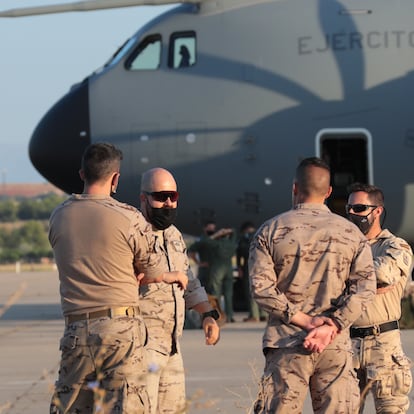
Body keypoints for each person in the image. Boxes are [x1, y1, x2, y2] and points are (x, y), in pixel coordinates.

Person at [249, 157, 376, 414]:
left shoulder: (270, 231)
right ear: (329, 192)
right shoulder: (351, 233)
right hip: (333, 344)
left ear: (295, 188)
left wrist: (303, 321)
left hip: (286, 345)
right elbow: (365, 288)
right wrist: (333, 324)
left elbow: (261, 289)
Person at [48, 142, 150, 413]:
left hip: (77, 329)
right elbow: (150, 268)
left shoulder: (59, 216)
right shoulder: (129, 217)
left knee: (71, 406)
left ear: (82, 174)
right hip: (120, 329)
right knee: (127, 406)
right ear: (116, 178)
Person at [137, 167, 221, 414]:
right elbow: (119, 281)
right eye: (161, 196)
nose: (168, 203)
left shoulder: (173, 235)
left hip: (172, 345)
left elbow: (188, 280)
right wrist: (159, 277)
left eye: (173, 197)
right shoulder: (132, 234)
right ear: (143, 198)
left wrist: (208, 313)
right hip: (143, 346)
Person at [347, 183, 413, 413]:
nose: (352, 214)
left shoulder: (395, 246)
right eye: (350, 208)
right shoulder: (346, 248)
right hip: (348, 345)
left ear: (377, 211)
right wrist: (368, 283)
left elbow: (384, 273)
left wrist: (345, 277)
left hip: (383, 344)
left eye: (359, 208)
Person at [236, 221, 267, 322]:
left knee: (251, 291)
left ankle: (254, 315)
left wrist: (239, 268)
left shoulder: (244, 240)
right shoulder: (262, 236)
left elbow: (240, 253)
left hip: (249, 267)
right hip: (261, 267)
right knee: (261, 290)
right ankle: (263, 314)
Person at [188, 220, 217, 288]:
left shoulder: (216, 239)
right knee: (203, 290)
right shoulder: (202, 240)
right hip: (205, 270)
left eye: (213, 228)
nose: (211, 230)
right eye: (210, 228)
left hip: (214, 270)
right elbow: (191, 252)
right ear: (205, 228)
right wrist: (199, 263)